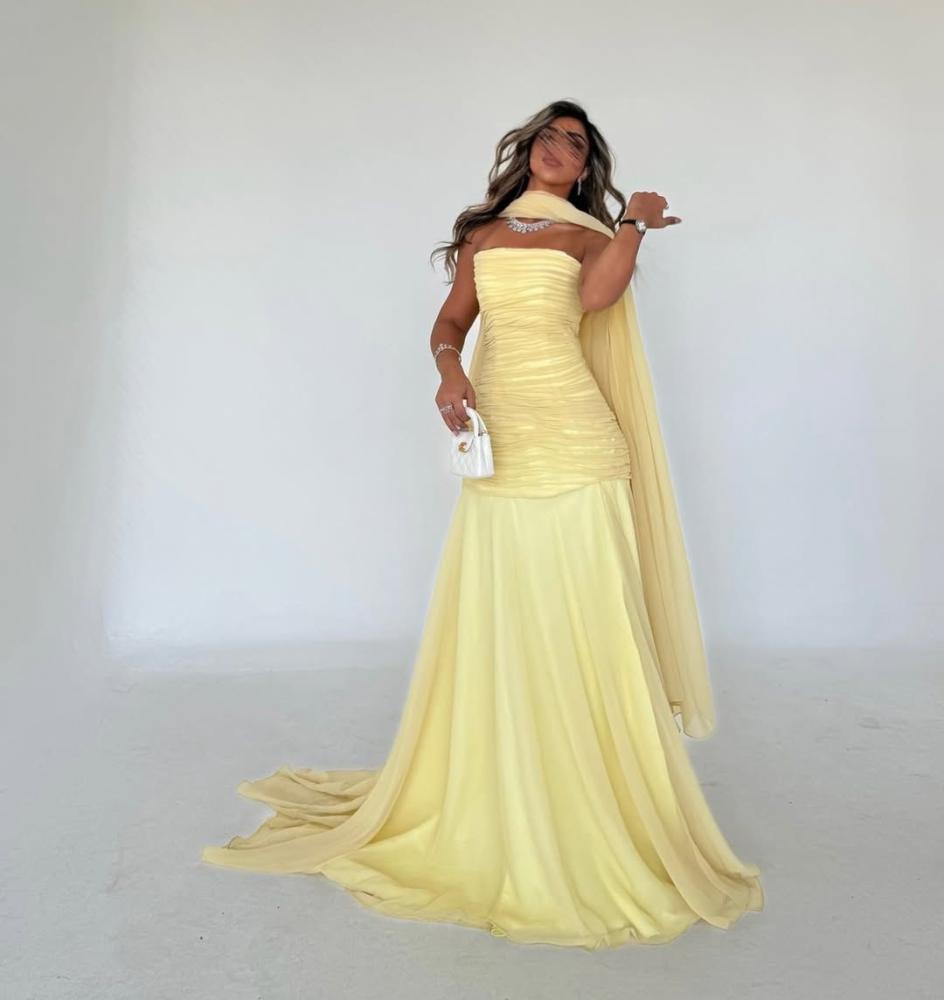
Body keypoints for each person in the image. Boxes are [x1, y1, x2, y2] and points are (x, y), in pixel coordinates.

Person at [201, 99, 764, 951]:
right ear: (527, 148)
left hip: (576, 442)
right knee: (508, 619)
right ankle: (506, 785)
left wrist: (634, 224)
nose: (559, 148)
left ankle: (595, 803)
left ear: (587, 169)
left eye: (577, 144)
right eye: (550, 135)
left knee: (590, 622)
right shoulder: (485, 236)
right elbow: (451, 323)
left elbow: (600, 296)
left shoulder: (588, 236)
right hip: (502, 447)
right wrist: (448, 371)